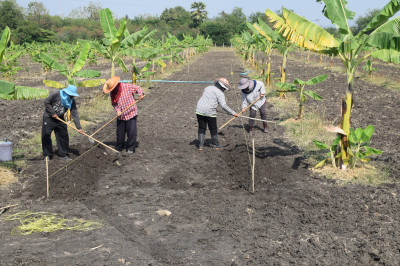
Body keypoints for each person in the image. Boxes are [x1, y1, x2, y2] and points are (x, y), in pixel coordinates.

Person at [103, 76, 145, 154]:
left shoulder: (127, 87)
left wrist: (140, 95)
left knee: (131, 131)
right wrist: (118, 110)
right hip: (121, 116)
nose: (112, 90)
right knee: (120, 133)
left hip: (131, 113)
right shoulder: (113, 94)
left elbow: (139, 88)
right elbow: (114, 104)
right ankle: (119, 147)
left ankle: (130, 148)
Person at [42, 85, 84, 161]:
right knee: (46, 135)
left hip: (60, 118)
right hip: (49, 118)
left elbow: (74, 113)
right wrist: (52, 113)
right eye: (70, 95)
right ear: (66, 92)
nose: (72, 96)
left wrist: (79, 127)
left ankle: (63, 154)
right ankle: (47, 154)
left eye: (73, 95)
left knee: (63, 135)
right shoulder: (56, 94)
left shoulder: (71, 101)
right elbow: (46, 102)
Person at [195, 78, 238, 151]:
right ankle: (215, 144)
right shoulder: (220, 93)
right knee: (213, 128)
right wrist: (233, 112)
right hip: (210, 112)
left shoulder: (208, 87)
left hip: (199, 109)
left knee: (202, 127)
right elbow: (223, 105)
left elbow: (206, 98)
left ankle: (201, 146)